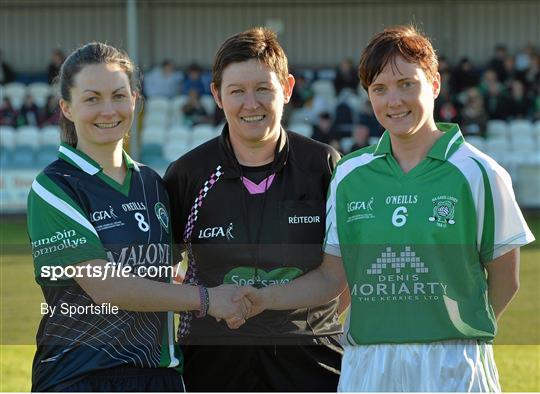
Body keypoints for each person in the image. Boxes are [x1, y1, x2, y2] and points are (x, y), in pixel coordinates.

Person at [234, 25, 535, 392]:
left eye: (407, 84)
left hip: (453, 366)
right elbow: (332, 277)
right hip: (369, 366)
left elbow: (506, 278)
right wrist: (265, 297)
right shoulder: (348, 174)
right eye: (379, 89)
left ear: (435, 84)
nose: (394, 100)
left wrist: (458, 333)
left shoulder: (479, 172)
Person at [27, 42, 248, 392]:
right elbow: (106, 286)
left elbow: (161, 274)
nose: (108, 110)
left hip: (160, 376)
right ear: (67, 108)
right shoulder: (54, 187)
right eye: (92, 99)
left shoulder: (152, 183)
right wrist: (206, 299)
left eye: (118, 95)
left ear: (135, 99)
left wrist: (241, 294)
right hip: (81, 377)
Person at [164, 27, 343, 392]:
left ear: (288, 89)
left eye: (263, 88)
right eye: (236, 91)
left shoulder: (323, 166)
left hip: (311, 361)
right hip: (213, 362)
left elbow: (342, 273)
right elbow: (164, 272)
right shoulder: (188, 174)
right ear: (216, 94)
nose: (251, 104)